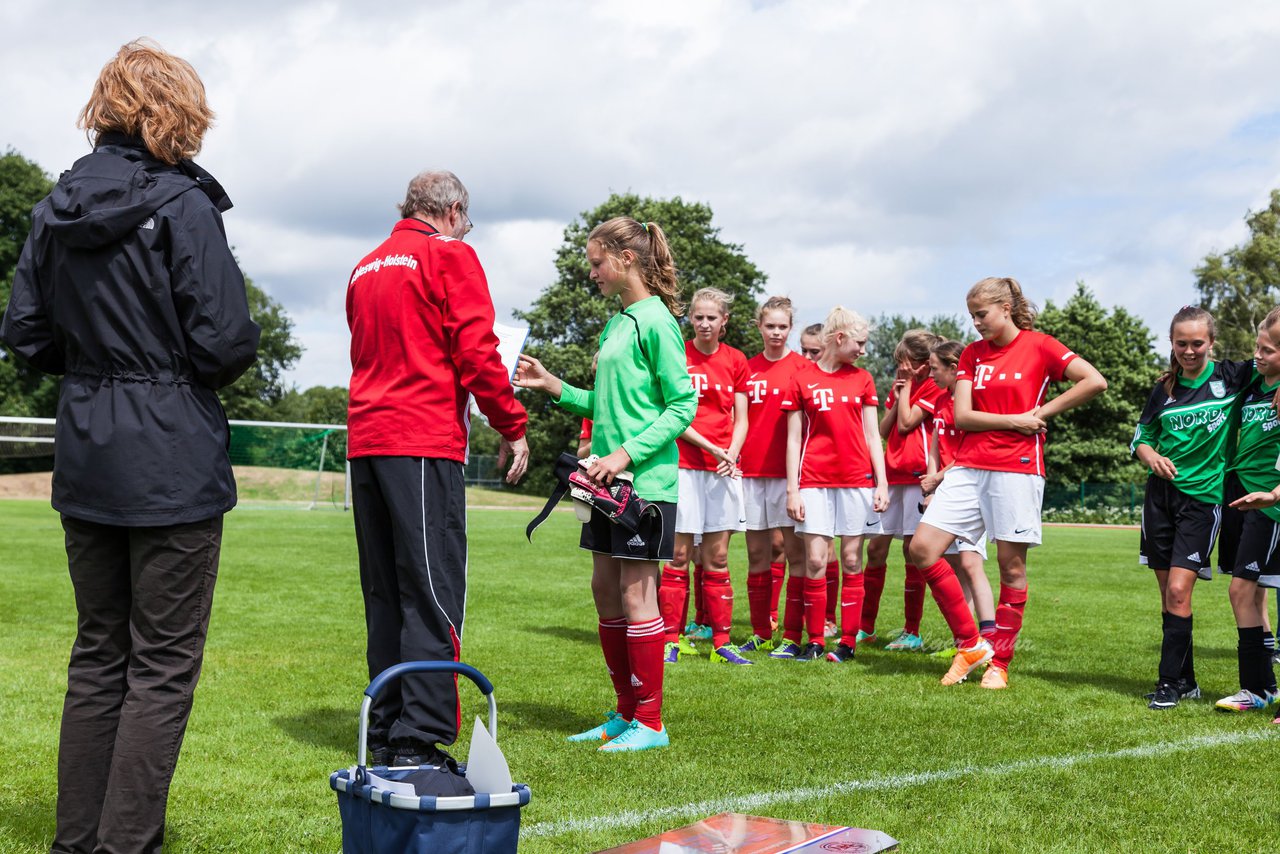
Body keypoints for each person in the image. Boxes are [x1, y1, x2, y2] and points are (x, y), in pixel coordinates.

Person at [0, 40, 261, 853]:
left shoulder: (55, 208)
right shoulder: (182, 206)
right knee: (160, 666)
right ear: (176, 110)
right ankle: (123, 845)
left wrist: (93, 366)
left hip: (88, 447)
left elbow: (25, 332)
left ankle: (77, 841)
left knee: (99, 656)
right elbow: (224, 344)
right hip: (168, 454)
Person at [346, 170, 529, 767]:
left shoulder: (365, 265)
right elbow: (477, 351)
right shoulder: (450, 256)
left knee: (386, 592)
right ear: (453, 210)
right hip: (420, 438)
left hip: (368, 442)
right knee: (432, 590)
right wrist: (512, 423)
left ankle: (387, 722)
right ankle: (417, 738)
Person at [516, 217, 695, 752]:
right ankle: (624, 712)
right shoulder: (616, 323)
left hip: (644, 483)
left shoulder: (657, 321)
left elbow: (683, 405)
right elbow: (608, 404)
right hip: (605, 483)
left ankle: (652, 722)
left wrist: (623, 454)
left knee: (639, 594)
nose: (590, 272)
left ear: (627, 259)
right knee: (603, 588)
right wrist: (555, 387)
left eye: (596, 263)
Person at [909, 277, 1107, 688]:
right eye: (972, 316)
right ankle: (970, 645)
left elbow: (1094, 381)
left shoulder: (1041, 345)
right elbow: (962, 416)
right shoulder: (970, 355)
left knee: (1011, 567)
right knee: (922, 549)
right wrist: (1015, 419)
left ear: (1006, 307)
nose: (976, 323)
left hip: (1017, 468)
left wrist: (1042, 412)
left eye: (981, 314)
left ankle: (1000, 662)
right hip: (968, 465)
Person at [1131, 306, 1253, 709]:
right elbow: (1141, 437)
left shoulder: (1231, 376)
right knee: (1169, 594)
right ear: (1172, 343)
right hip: (1160, 501)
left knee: (1181, 590)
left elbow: (1273, 359)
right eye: (1181, 343)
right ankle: (1187, 681)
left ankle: (1168, 684)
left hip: (1202, 502)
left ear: (1211, 342)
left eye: (1197, 343)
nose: (1189, 350)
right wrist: (1151, 458)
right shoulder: (1164, 389)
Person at [774, 306, 889, 662]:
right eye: (859, 343)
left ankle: (848, 642)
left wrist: (881, 484)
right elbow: (793, 440)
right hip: (813, 481)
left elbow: (873, 435)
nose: (863, 350)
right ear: (839, 339)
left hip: (857, 481)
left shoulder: (863, 379)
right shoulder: (801, 378)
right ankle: (815, 641)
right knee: (815, 560)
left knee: (853, 559)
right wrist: (792, 488)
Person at [658, 287, 751, 665]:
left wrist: (730, 453)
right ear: (690, 318)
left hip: (722, 469)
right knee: (678, 555)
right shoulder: (677, 352)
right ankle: (670, 639)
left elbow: (742, 418)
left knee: (717, 557)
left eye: (712, 317)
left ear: (724, 320)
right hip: (683, 465)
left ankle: (721, 642)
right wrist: (712, 448)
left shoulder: (736, 360)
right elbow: (671, 413)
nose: (705, 323)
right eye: (699, 316)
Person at [861, 329, 944, 652]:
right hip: (890, 477)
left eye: (905, 361)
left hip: (916, 478)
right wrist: (896, 398)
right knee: (874, 550)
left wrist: (907, 389)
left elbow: (909, 424)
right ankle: (865, 628)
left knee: (911, 553)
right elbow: (884, 429)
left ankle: (912, 631)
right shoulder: (902, 387)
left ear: (922, 364)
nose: (900, 367)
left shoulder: (932, 386)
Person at [736, 296, 809, 652]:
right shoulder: (746, 369)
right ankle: (761, 632)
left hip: (788, 476)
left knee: (796, 555)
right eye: (770, 326)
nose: (776, 332)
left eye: (782, 326)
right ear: (759, 327)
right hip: (750, 473)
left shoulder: (802, 369)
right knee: (757, 556)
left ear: (790, 328)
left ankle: (793, 635)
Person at [1217, 308, 1280, 716]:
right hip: (1246, 498)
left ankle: (1262, 688)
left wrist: (1273, 495)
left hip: (1272, 506)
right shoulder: (1255, 382)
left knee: (1251, 592)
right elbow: (1209, 367)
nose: (1257, 355)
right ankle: (1258, 689)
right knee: (1242, 591)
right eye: (1256, 347)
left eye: (1268, 350)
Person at [919, 340, 995, 647]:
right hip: (945, 489)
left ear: (954, 369)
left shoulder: (973, 403)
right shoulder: (939, 400)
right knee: (949, 566)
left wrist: (937, 477)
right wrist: (932, 486)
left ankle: (989, 637)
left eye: (935, 368)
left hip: (969, 487)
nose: (931, 374)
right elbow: (936, 446)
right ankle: (965, 640)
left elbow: (970, 453)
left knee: (970, 563)